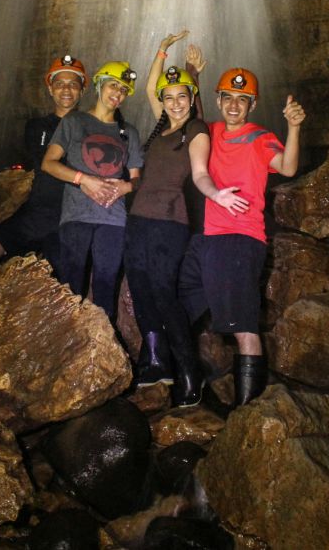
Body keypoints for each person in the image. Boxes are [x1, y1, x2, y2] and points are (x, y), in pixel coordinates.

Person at [173, 67, 306, 407]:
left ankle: (248, 411)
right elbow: (191, 114)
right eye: (228, 98)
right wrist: (192, 76)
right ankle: (189, 381)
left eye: (242, 100)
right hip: (207, 239)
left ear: (252, 104)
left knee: (243, 325)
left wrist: (293, 127)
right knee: (178, 302)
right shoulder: (211, 131)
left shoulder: (260, 137)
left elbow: (288, 167)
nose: (234, 106)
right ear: (218, 100)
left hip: (240, 238)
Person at [123, 31, 209, 391]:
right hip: (139, 219)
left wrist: (216, 194)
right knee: (140, 288)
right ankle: (157, 360)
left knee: (163, 290)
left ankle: (189, 370)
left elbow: (201, 171)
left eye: (182, 97)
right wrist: (161, 49)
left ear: (192, 99)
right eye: (169, 97)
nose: (175, 103)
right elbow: (148, 90)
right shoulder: (161, 128)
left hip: (170, 222)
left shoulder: (196, 129)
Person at [41, 60, 144, 323]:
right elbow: (49, 163)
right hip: (76, 214)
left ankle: (102, 346)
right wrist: (83, 179)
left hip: (113, 218)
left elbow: (137, 179)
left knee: (106, 281)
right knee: (71, 279)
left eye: (123, 90)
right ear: (99, 85)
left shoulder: (128, 132)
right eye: (113, 86)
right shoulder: (74, 121)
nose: (117, 94)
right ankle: (68, 340)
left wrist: (125, 187)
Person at [0, 54, 86, 268]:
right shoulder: (37, 126)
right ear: (50, 89)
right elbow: (44, 161)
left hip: (73, 213)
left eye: (73, 85)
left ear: (82, 91)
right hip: (38, 210)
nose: (66, 90)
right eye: (59, 84)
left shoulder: (91, 128)